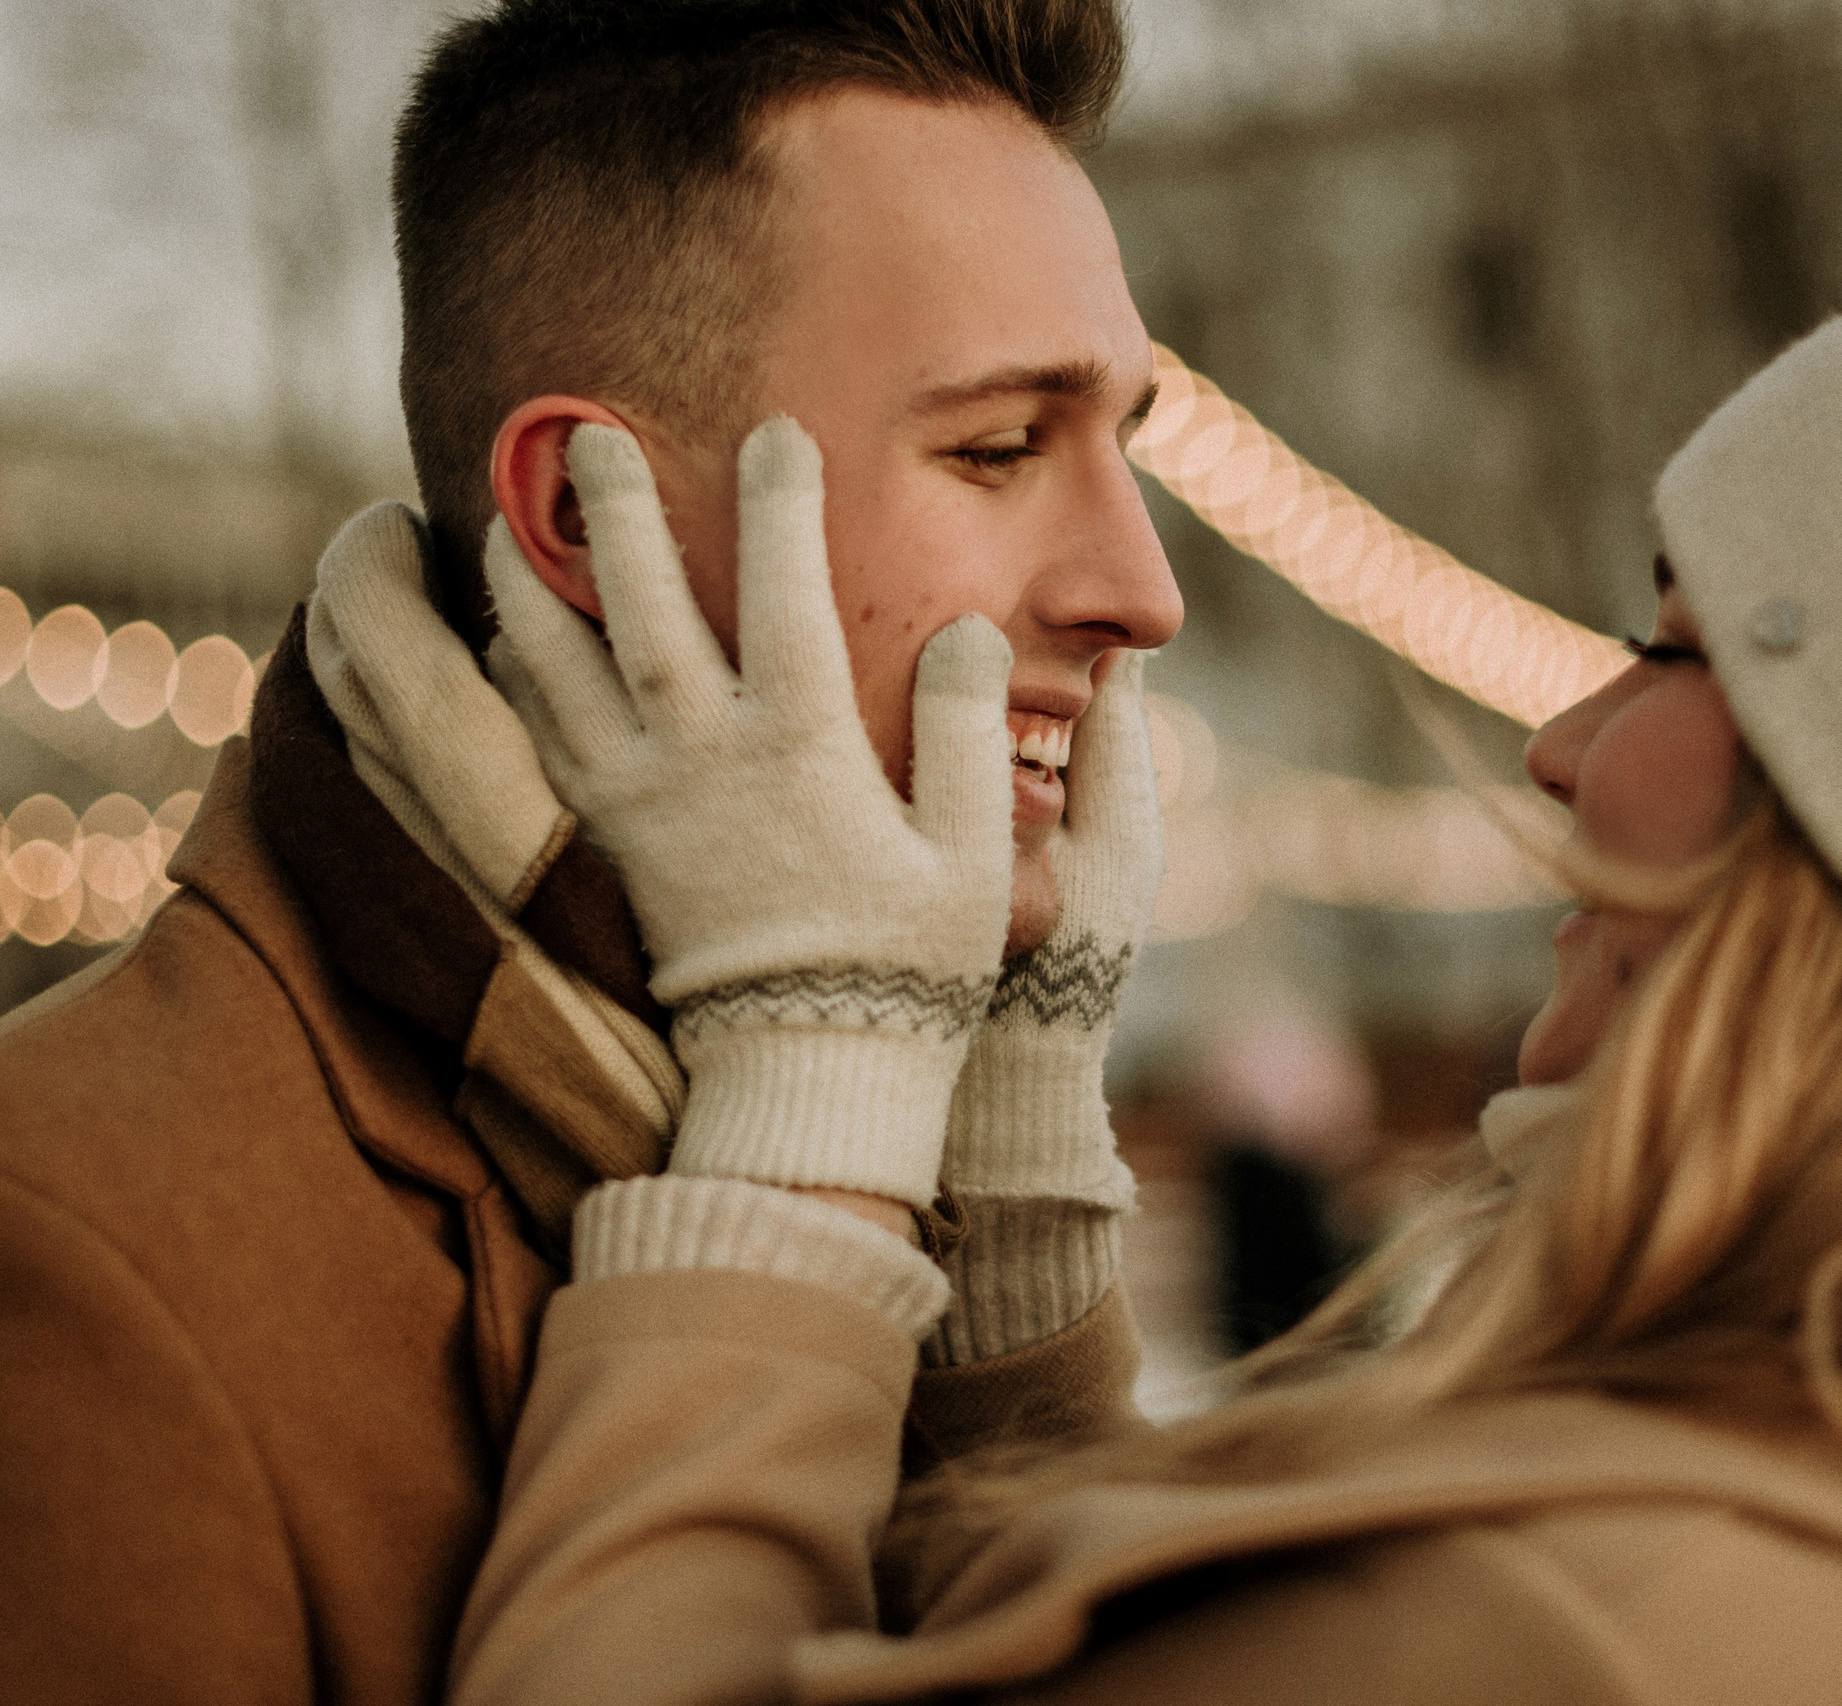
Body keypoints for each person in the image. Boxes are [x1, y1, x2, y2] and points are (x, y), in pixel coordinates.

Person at [449, 256, 1842, 1704]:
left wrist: (816, 1077)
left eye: (1673, 646)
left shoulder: (1553, 1631)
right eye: (999, 441)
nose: (1559, 740)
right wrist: (1010, 1157)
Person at [0, 3, 1175, 1701]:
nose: (1143, 589)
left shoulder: (959, 1127)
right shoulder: (71, 1251)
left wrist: (1013, 1260)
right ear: (577, 520)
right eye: (999, 448)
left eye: (1122, 445)